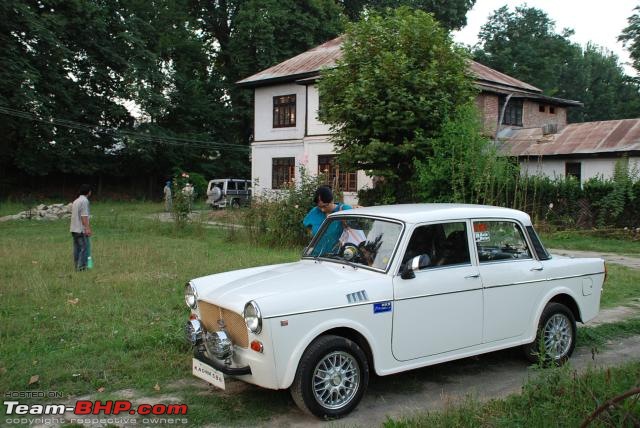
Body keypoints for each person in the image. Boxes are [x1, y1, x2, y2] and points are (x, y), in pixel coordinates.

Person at [70, 184, 92, 271]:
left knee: (77, 248)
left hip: (73, 229)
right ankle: (82, 267)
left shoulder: (76, 201)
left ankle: (76, 266)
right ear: (89, 192)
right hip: (80, 229)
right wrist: (87, 228)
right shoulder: (85, 201)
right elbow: (84, 216)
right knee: (85, 248)